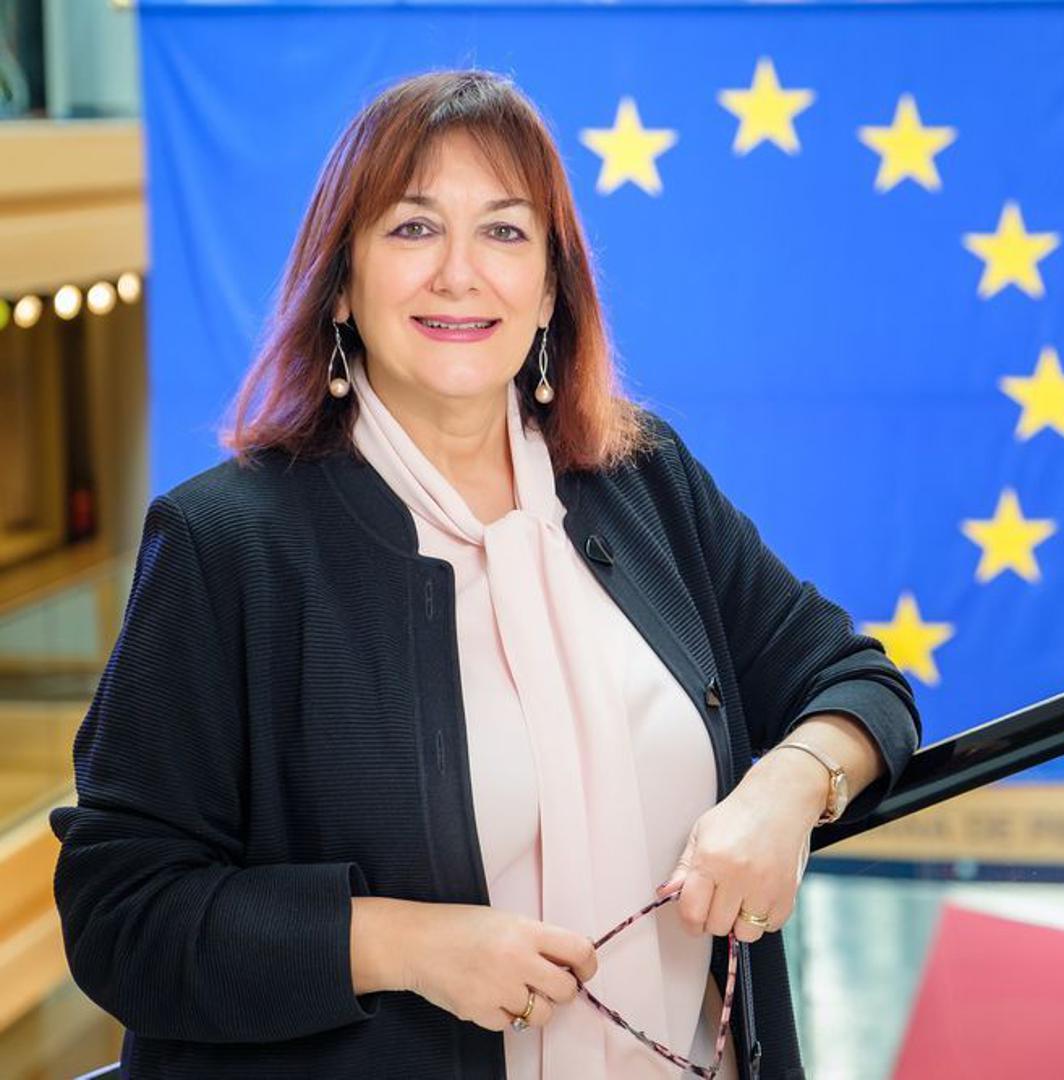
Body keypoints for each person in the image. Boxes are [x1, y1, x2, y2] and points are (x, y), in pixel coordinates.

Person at [49, 69, 920, 1080]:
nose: (459, 274)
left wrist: (789, 788)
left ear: (550, 289)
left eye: (505, 232)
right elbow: (121, 913)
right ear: (342, 282)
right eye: (413, 228)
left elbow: (858, 682)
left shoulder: (642, 479)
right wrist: (402, 945)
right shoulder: (226, 543)